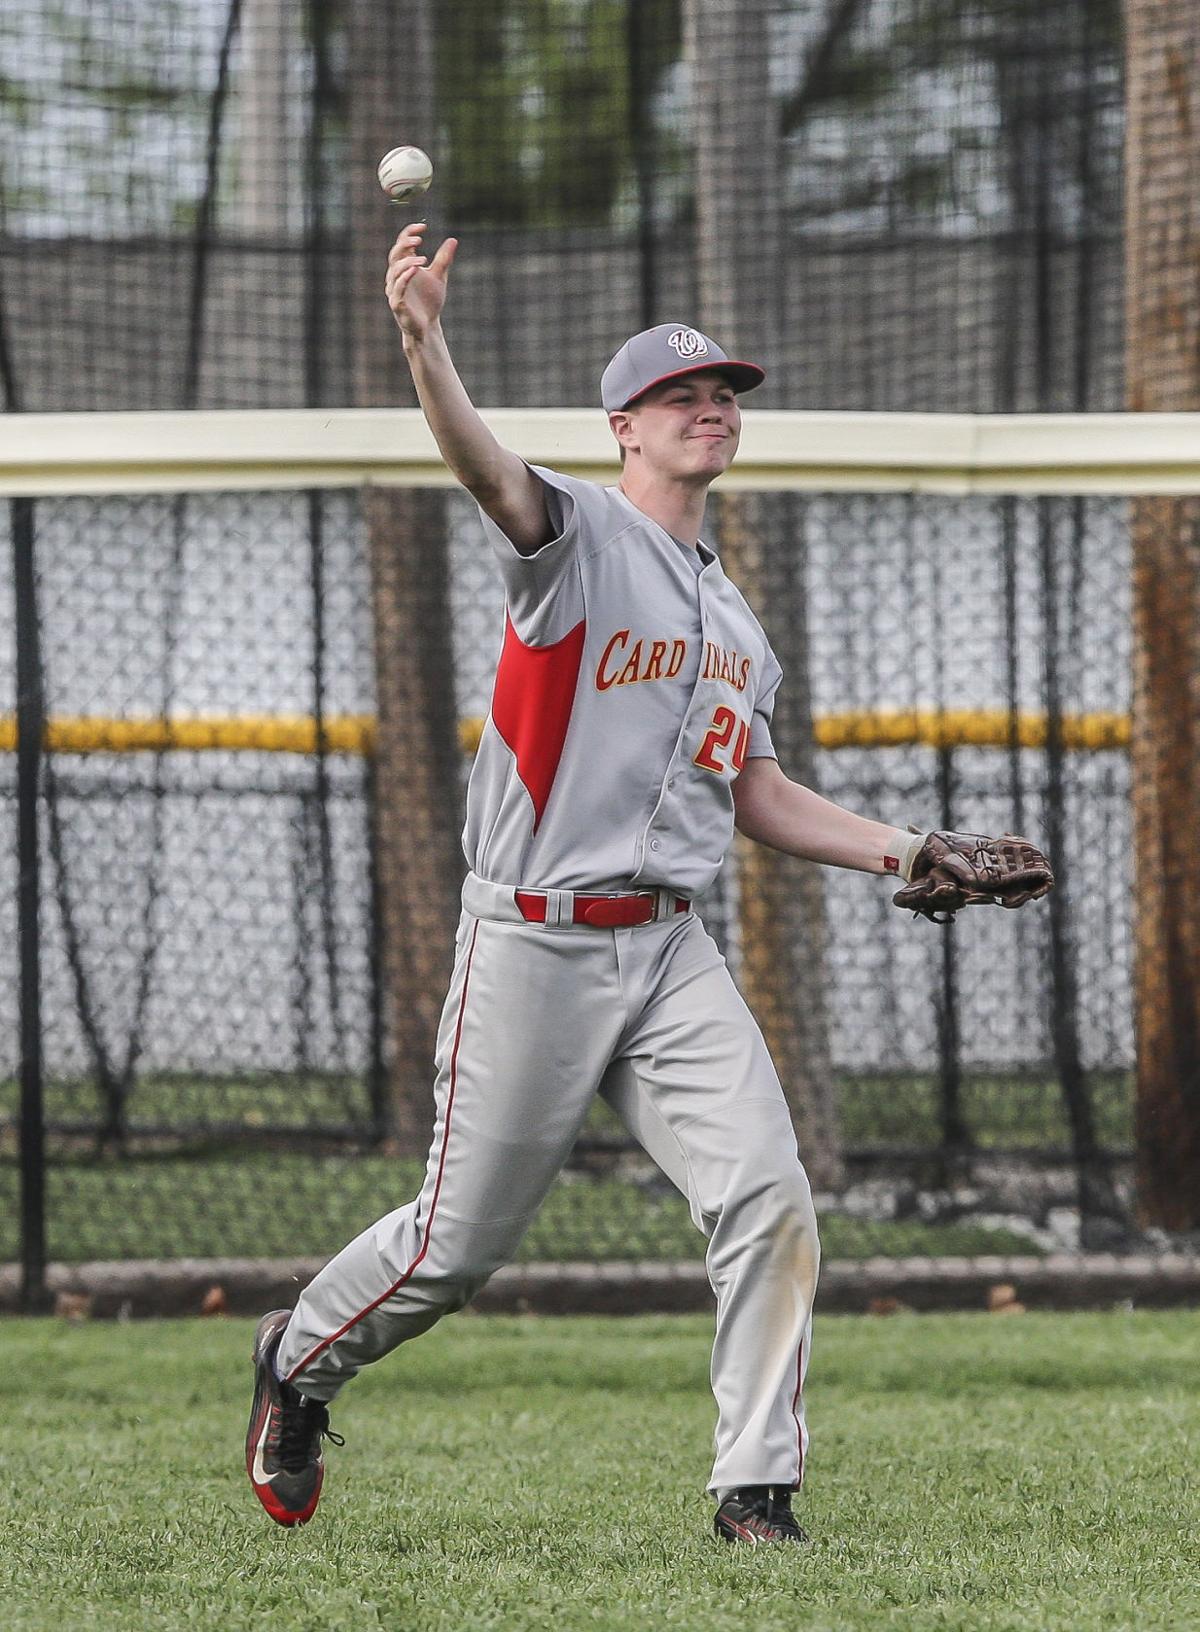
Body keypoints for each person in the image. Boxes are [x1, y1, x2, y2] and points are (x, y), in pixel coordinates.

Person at [243, 222, 956, 1546]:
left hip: (669, 948)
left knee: (768, 1194)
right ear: (623, 426)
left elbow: (756, 794)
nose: (711, 411)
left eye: (723, 395)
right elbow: (481, 467)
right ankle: (298, 1359)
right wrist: (423, 342)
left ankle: (756, 1491)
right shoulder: (573, 537)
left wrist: (909, 852)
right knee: (454, 1251)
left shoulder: (736, 622)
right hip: (535, 941)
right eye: (682, 395)